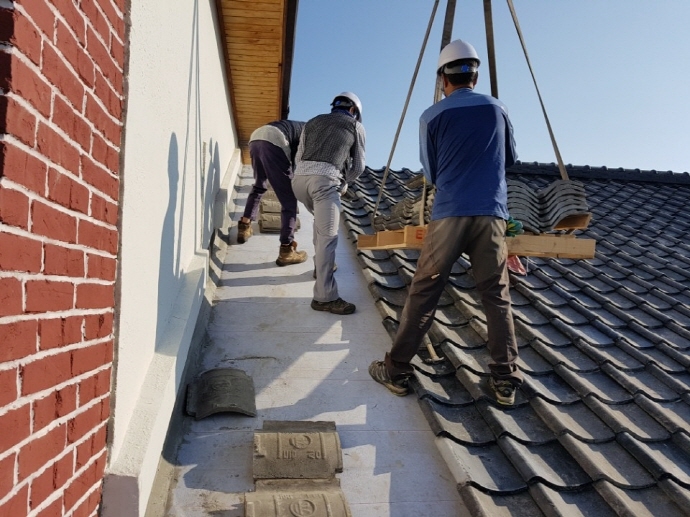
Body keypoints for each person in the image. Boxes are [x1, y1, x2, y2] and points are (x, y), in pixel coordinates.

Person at [368, 40, 523, 405]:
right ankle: (504, 380)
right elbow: (509, 158)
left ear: (442, 80)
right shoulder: (498, 108)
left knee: (425, 292)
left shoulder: (431, 116)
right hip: (491, 215)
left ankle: (396, 370)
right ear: (476, 76)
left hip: (450, 213)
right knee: (496, 296)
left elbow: (433, 172)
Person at [292, 92, 366, 315]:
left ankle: (319, 268)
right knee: (328, 237)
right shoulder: (355, 126)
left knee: (321, 226)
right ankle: (325, 298)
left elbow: (298, 157)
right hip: (324, 182)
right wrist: (343, 182)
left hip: (299, 182)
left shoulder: (313, 121)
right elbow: (358, 166)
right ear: (353, 110)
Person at [236, 120, 308, 267]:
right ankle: (287, 250)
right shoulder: (310, 133)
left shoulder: (300, 126)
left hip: (256, 137)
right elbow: (296, 160)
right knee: (289, 201)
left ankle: (244, 226)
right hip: (275, 140)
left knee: (259, 186)